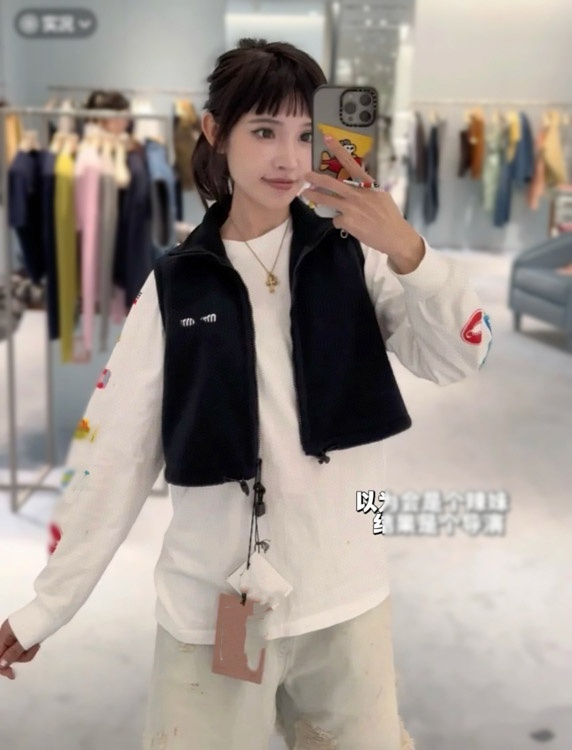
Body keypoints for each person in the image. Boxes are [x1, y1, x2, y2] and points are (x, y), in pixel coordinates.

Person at [0, 38, 492, 749]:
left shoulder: (357, 257)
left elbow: (459, 358)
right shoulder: (175, 285)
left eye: (306, 134)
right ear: (215, 132)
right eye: (263, 131)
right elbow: (114, 457)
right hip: (211, 611)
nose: (288, 158)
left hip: (348, 600)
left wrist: (410, 251)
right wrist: (49, 606)